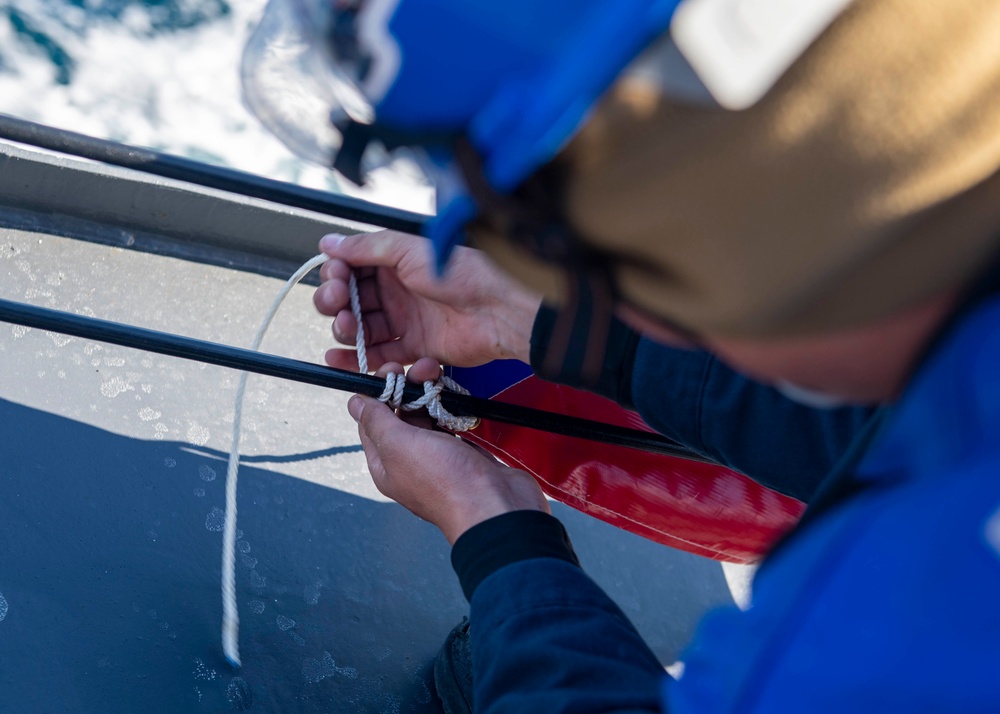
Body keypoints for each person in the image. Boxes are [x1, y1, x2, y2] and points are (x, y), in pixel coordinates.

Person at [245, 0, 1000, 710]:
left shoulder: (894, 622)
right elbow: (880, 422)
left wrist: (494, 532)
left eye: (553, 238)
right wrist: (537, 324)